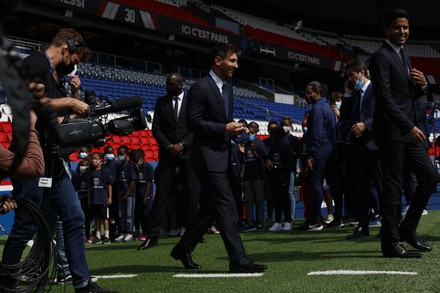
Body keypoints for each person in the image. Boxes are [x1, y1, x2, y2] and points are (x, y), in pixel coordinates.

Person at [1, 28, 117, 292]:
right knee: (26, 224)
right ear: (65, 48)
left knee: (74, 217)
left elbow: (56, 120)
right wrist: (68, 101)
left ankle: (82, 283)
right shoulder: (34, 62)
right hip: (30, 158)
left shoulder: (53, 77)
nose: (74, 66)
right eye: (75, 59)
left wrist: (79, 111)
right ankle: (5, 281)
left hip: (53, 159)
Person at [170, 43, 267, 273]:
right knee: (226, 205)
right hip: (206, 157)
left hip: (224, 156)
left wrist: (231, 130)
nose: (236, 65)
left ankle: (183, 248)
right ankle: (238, 260)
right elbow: (193, 122)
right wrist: (224, 128)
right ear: (217, 60)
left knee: (211, 209)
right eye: (232, 61)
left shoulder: (229, 88)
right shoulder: (200, 88)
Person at [369, 8, 438, 258]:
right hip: (392, 131)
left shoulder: (404, 56)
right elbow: (385, 99)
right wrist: (408, 126)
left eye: (406, 27)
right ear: (386, 29)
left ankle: (407, 229)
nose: (403, 31)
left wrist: (422, 86)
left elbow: (407, 96)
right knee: (393, 188)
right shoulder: (380, 57)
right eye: (397, 27)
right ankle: (390, 243)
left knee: (430, 176)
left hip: (408, 132)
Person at [138, 72, 199, 250]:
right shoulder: (161, 102)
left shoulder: (192, 101)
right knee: (161, 194)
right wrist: (169, 146)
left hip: (188, 153)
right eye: (167, 83)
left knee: (192, 192)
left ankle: (193, 232)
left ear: (181, 84)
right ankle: (153, 235)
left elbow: (196, 127)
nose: (168, 86)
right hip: (167, 153)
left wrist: (182, 144)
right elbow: (156, 128)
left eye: (172, 83)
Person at [342, 59, 382, 240]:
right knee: (360, 188)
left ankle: (388, 225)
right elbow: (344, 117)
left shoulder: (377, 89)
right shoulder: (354, 93)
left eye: (351, 75)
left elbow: (384, 112)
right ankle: (363, 225)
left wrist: (366, 125)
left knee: (382, 187)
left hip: (375, 144)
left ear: (361, 72)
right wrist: (347, 94)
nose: (350, 79)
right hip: (357, 147)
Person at [304, 81, 344, 231]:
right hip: (331, 150)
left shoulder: (318, 108)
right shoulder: (328, 107)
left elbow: (316, 133)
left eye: (309, 93)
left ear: (317, 92)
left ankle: (316, 220)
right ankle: (338, 218)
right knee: (334, 185)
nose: (307, 96)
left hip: (320, 150)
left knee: (316, 183)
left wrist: (311, 153)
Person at [238, 121, 267, 232]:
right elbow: (244, 160)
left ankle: (260, 222)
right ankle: (250, 222)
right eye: (250, 126)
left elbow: (264, 159)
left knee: (259, 200)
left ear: (257, 130)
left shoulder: (259, 143)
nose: (251, 129)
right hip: (247, 176)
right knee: (248, 200)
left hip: (258, 175)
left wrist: (255, 152)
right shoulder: (245, 143)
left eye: (253, 127)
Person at [88, 151, 114, 245]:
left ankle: (106, 236)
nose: (94, 161)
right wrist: (89, 199)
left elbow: (109, 185)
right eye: (93, 159)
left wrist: (110, 197)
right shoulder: (91, 172)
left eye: (96, 159)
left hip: (103, 198)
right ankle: (98, 236)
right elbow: (90, 187)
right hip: (94, 199)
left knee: (105, 218)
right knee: (97, 218)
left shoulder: (105, 171)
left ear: (101, 160)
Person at [130, 149, 154, 241]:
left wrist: (145, 196)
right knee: (138, 213)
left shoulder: (148, 167)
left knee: (146, 214)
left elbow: (149, 181)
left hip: (146, 194)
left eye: (136, 160)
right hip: (137, 194)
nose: (135, 162)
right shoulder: (134, 167)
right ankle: (138, 231)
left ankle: (147, 232)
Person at [114, 145, 136, 243]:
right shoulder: (119, 166)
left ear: (126, 155)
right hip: (120, 194)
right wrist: (119, 193)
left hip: (129, 194)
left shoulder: (130, 166)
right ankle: (122, 232)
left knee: (128, 214)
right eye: (118, 154)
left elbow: (133, 180)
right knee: (121, 214)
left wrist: (127, 193)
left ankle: (129, 233)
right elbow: (118, 180)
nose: (119, 156)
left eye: (121, 154)